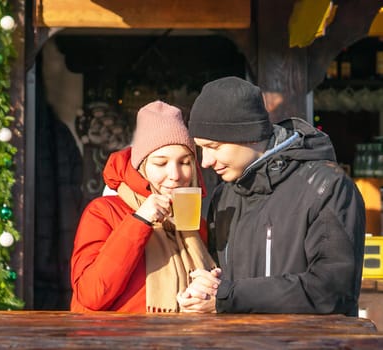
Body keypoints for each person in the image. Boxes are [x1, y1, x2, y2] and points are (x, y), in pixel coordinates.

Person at [177, 76, 366, 316]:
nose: (205, 161)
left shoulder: (327, 186)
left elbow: (331, 290)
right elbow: (225, 285)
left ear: (250, 134)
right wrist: (206, 290)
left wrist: (228, 296)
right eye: (201, 148)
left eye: (214, 147)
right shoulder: (224, 195)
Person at [70, 100, 217, 313]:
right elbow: (91, 295)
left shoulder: (196, 225)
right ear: (141, 167)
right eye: (160, 163)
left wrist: (210, 296)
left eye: (185, 162)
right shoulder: (103, 212)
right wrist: (140, 221)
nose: (175, 175)